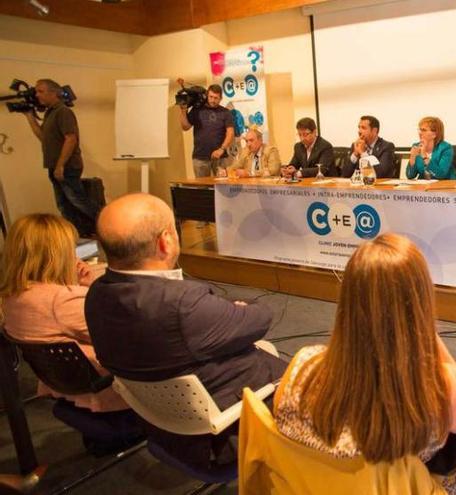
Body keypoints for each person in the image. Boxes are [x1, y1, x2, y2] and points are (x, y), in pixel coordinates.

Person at [84, 193, 287, 468]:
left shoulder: (96, 295)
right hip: (231, 429)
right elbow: (260, 318)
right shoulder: (182, 305)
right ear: (165, 241)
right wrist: (240, 305)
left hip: (162, 423)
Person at [274, 233, 456, 495]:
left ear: (348, 299)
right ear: (420, 303)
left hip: (313, 486)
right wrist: (426, 332)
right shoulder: (442, 387)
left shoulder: (302, 365)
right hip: (402, 488)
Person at [0, 214, 128, 414]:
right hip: (108, 385)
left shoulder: (12, 297)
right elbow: (124, 329)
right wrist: (94, 287)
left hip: (63, 383)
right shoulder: (63, 301)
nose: (75, 257)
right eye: (71, 249)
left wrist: (78, 284)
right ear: (56, 256)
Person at [22, 79, 99, 238]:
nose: (37, 95)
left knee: (78, 201)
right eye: (36, 92)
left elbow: (71, 139)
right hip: (54, 165)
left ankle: (109, 224)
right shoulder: (50, 113)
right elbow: (43, 137)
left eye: (41, 91)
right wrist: (29, 116)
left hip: (67, 166)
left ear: (54, 93)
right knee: (64, 205)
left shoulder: (63, 111)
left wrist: (60, 166)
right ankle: (77, 234)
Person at [177, 80, 234, 178]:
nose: (213, 100)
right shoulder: (197, 110)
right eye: (211, 97)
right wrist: (183, 111)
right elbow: (185, 127)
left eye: (216, 98)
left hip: (220, 157)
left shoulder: (225, 112)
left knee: (224, 188)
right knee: (202, 189)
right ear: (207, 95)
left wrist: (221, 149)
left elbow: (230, 133)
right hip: (200, 157)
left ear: (221, 98)